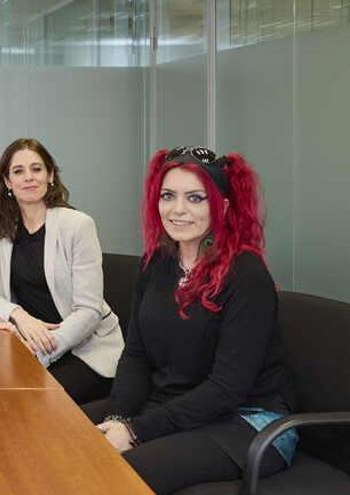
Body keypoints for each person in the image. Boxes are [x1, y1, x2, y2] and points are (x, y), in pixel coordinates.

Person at [83, 146, 297, 494]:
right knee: (61, 434)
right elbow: (136, 354)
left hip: (248, 421)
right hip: (174, 404)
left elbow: (227, 389)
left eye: (196, 198)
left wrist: (135, 432)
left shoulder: (246, 274)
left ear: (223, 206)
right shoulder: (156, 263)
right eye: (168, 195)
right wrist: (119, 418)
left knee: (115, 475)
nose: (178, 209)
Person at [0, 138, 123, 404]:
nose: (29, 177)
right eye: (18, 171)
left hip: (84, 348)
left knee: (30, 403)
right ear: (7, 181)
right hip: (27, 338)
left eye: (37, 169)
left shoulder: (78, 226)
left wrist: (42, 347)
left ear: (50, 175)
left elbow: (89, 311)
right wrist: (19, 315)